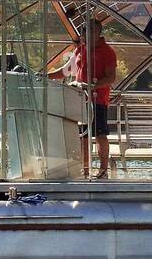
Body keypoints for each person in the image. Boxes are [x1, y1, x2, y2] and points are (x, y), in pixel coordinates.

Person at [50, 18, 118, 179]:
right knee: (83, 135)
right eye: (86, 30)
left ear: (99, 33)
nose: (89, 34)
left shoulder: (107, 52)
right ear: (82, 33)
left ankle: (103, 170)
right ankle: (85, 169)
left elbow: (111, 78)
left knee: (100, 133)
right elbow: (66, 71)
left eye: (93, 30)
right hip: (80, 99)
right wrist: (46, 75)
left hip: (97, 99)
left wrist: (90, 86)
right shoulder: (80, 50)